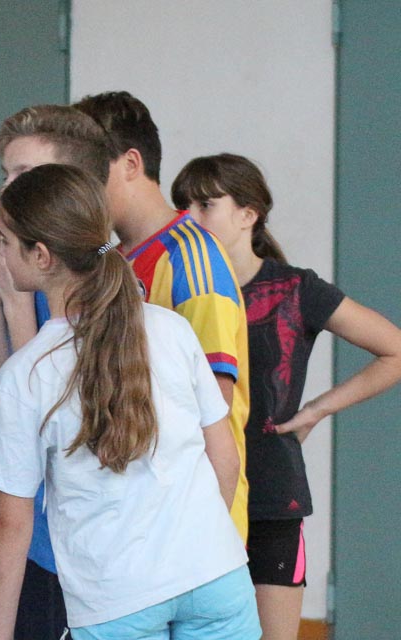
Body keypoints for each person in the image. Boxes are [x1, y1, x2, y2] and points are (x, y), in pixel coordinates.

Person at [0, 163, 261, 640]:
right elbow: (224, 458)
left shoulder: (27, 374)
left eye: (7, 240)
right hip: (216, 576)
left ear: (40, 256)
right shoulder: (171, 329)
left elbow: (10, 522)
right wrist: (200, 551)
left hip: (117, 598)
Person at [171, 153, 401, 640]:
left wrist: (317, 409)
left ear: (248, 214)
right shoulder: (175, 286)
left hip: (271, 495)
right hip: (188, 491)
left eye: (205, 205)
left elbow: (394, 351)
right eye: (182, 206)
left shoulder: (296, 288)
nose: (188, 218)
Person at [75, 91, 251, 542]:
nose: (80, 188)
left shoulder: (193, 257)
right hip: (135, 520)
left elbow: (214, 403)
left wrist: (199, 535)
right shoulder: (111, 257)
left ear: (131, 163)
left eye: (88, 171)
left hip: (186, 527)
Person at [0, 104, 111, 639]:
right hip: (40, 542)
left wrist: (16, 303)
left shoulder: (100, 287)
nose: (8, 189)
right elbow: (2, 399)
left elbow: (44, 412)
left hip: (87, 548)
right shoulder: (28, 277)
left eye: (24, 174)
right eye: (5, 174)